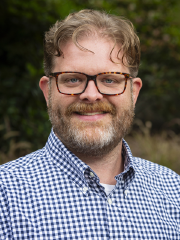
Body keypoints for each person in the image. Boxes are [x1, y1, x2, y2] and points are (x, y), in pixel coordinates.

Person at [0, 9, 179, 240]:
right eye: (73, 79)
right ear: (48, 91)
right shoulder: (5, 196)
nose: (92, 95)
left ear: (133, 93)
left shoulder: (173, 190)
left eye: (110, 79)